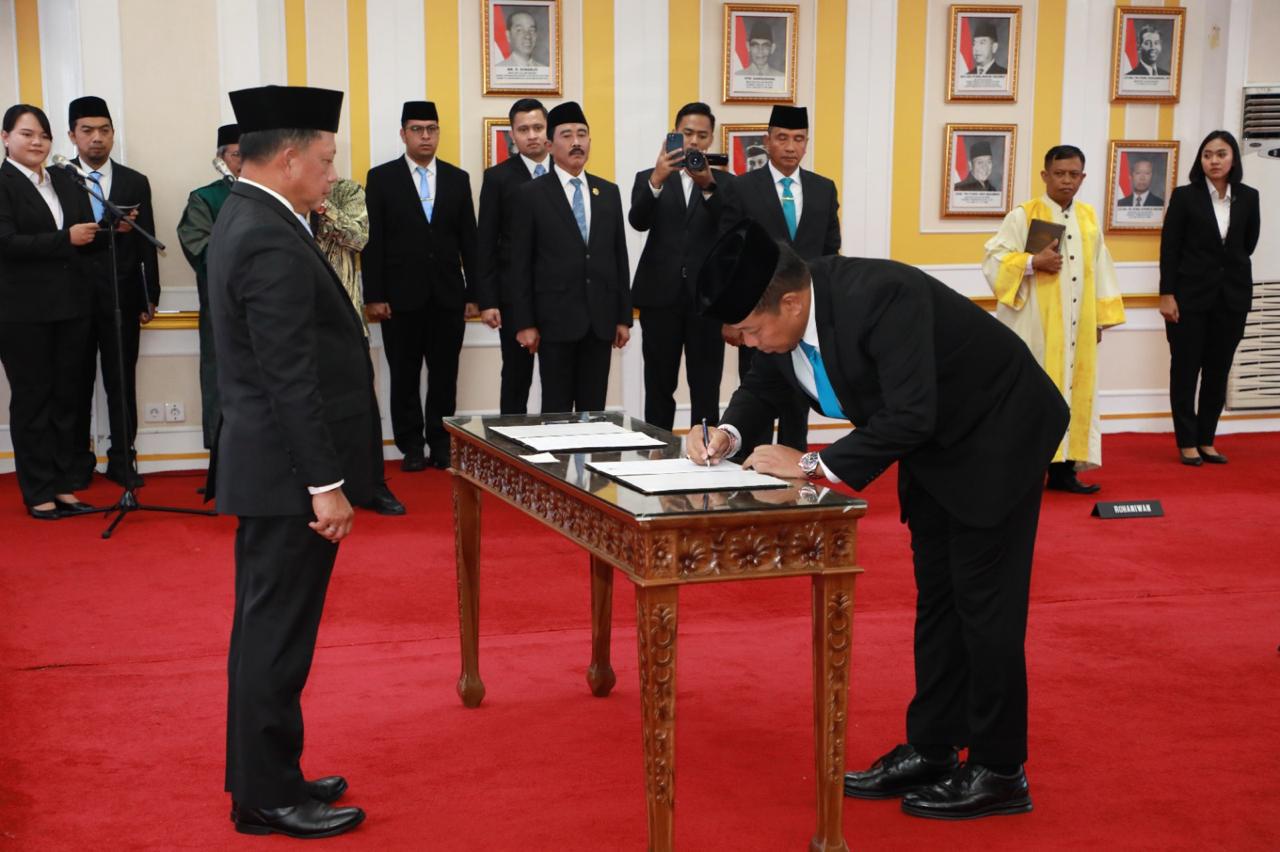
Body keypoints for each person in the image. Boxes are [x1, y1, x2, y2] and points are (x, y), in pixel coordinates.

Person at [687, 219, 1068, 820]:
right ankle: (934, 748)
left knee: (985, 605)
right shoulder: (785, 327)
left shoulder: (880, 296)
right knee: (940, 599)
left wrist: (809, 465)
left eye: (755, 331)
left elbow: (911, 415)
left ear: (790, 301)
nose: (753, 345)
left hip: (998, 433)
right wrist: (729, 435)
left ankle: (1000, 768)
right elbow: (766, 382)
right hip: (937, 447)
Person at [207, 84, 369, 839]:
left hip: (270, 469)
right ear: (293, 157)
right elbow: (288, 374)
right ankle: (269, 797)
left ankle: (265, 777)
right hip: (286, 476)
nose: (334, 173)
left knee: (265, 631)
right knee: (276, 637)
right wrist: (326, 487)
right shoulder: (268, 233)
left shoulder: (256, 215)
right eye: (329, 159)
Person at [983, 145, 1125, 494]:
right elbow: (994, 260)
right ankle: (1024, 473)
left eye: (1073, 174)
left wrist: (1099, 320)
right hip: (1035, 327)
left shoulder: (1089, 219)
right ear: (1045, 175)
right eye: (1059, 173)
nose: (1066, 180)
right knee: (1034, 396)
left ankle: (1064, 472)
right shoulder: (1023, 215)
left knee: (1073, 394)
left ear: (1083, 177)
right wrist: (1032, 263)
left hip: (1078, 324)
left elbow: (1101, 268)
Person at [362, 101, 478, 471]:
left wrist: (475, 294)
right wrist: (375, 295)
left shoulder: (458, 179)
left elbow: (470, 242)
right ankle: (411, 446)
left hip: (448, 297)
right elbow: (373, 241)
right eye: (417, 129)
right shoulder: (381, 178)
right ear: (403, 134)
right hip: (399, 298)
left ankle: (441, 443)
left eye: (431, 128)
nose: (425, 136)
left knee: (445, 375)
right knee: (405, 374)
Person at [723, 104, 840, 455]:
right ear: (767, 142)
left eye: (799, 139)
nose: (791, 147)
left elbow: (831, 250)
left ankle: (793, 470)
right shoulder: (743, 188)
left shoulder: (823, 189)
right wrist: (732, 316)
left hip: (805, 314)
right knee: (757, 392)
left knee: (798, 397)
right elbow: (731, 253)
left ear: (806, 144)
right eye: (783, 138)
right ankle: (751, 468)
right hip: (757, 314)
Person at [0, 104, 98, 519]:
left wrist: (108, 229)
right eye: (26, 134)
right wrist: (65, 239)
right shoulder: (2, 183)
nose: (37, 142)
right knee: (33, 401)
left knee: (66, 400)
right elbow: (6, 243)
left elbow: (79, 234)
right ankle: (38, 490)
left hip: (70, 306)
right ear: (5, 138)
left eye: (43, 135)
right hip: (23, 312)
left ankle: (64, 485)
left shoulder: (63, 179)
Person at [508, 101, 631, 413]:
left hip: (600, 321)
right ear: (550, 144)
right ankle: (556, 465)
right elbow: (519, 264)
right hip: (553, 321)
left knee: (595, 412)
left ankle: (590, 464)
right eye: (566, 135)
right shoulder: (531, 194)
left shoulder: (608, 192)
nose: (576, 142)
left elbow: (619, 257)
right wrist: (524, 322)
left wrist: (623, 317)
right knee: (557, 411)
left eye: (582, 134)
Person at [66, 95, 160, 490]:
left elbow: (146, 242)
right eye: (87, 131)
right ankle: (76, 462)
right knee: (75, 383)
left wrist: (149, 293)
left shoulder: (134, 180)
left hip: (122, 296)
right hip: (71, 299)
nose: (97, 139)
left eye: (104, 130)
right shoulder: (58, 179)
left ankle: (123, 459)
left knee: (121, 383)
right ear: (72, 135)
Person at [1158, 130, 1261, 465]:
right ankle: (1186, 441)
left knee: (1218, 371)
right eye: (1207, 155)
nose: (1214, 161)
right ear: (1199, 160)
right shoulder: (1185, 197)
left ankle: (1206, 440)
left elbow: (1247, 245)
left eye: (1221, 154)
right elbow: (1170, 249)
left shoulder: (1249, 196)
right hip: (1188, 298)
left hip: (1231, 298)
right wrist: (1167, 294)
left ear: (1233, 159)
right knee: (1186, 370)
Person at [629, 102, 732, 431]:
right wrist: (658, 179)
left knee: (706, 387)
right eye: (688, 133)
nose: (695, 141)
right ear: (674, 135)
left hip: (707, 302)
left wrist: (707, 185)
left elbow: (730, 226)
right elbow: (638, 221)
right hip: (660, 298)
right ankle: (656, 453)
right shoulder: (649, 177)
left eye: (702, 135)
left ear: (711, 139)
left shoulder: (724, 183)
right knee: (659, 386)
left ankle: (706, 450)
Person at [312, 177, 405, 515]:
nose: (328, 169)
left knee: (360, 406)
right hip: (296, 319)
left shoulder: (346, 192)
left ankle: (371, 486)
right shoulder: (280, 197)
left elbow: (359, 238)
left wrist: (322, 206)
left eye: (329, 159)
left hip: (345, 318)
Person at [475, 98, 551, 414]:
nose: (531, 135)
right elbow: (486, 242)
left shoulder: (564, 174)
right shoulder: (497, 178)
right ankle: (510, 449)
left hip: (558, 297)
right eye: (523, 129)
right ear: (513, 136)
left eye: (538, 127)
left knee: (557, 380)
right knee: (517, 377)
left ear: (548, 131)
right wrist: (488, 300)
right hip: (512, 299)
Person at [178, 123, 240, 451]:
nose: (244, 160)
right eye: (236, 154)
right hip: (223, 307)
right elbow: (199, 246)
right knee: (221, 379)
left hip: (269, 308)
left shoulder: (277, 196)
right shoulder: (205, 198)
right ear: (221, 158)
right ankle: (222, 461)